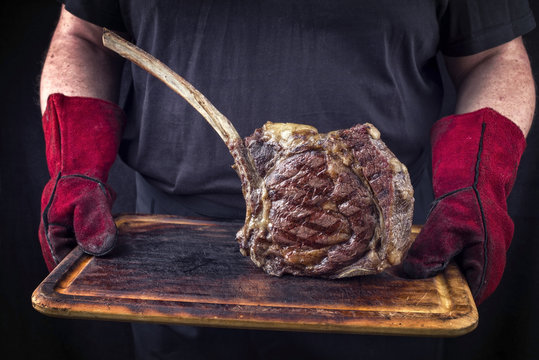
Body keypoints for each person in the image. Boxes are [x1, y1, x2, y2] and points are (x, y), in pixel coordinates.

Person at [38, 1, 535, 359]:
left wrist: (476, 182)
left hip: (377, 258)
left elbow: (494, 55)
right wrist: (74, 164)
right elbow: (84, 35)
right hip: (174, 254)